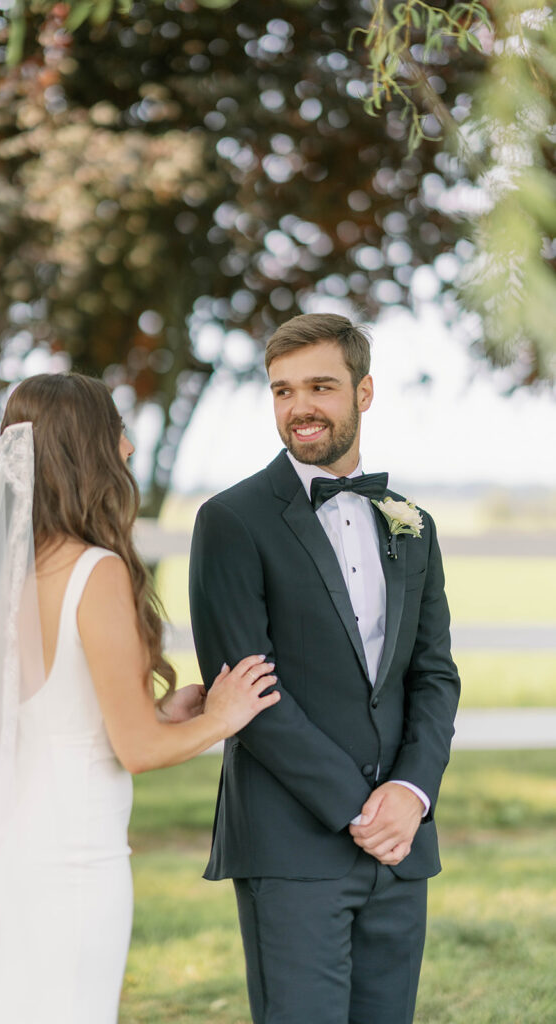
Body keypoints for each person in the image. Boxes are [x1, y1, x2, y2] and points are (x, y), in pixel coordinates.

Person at [0, 372, 279, 1024]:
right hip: (71, 860)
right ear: (89, 448)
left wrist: (156, 712)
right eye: (115, 430)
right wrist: (223, 717)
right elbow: (139, 752)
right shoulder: (95, 571)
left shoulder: (4, 572)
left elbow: (57, 714)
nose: (127, 446)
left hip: (2, 851)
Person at [189, 313, 460, 1024]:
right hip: (291, 843)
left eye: (319, 386)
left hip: (400, 842)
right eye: (281, 391)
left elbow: (433, 675)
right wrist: (357, 809)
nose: (298, 407)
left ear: (362, 393)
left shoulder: (411, 522)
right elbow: (245, 689)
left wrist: (408, 793)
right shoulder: (231, 520)